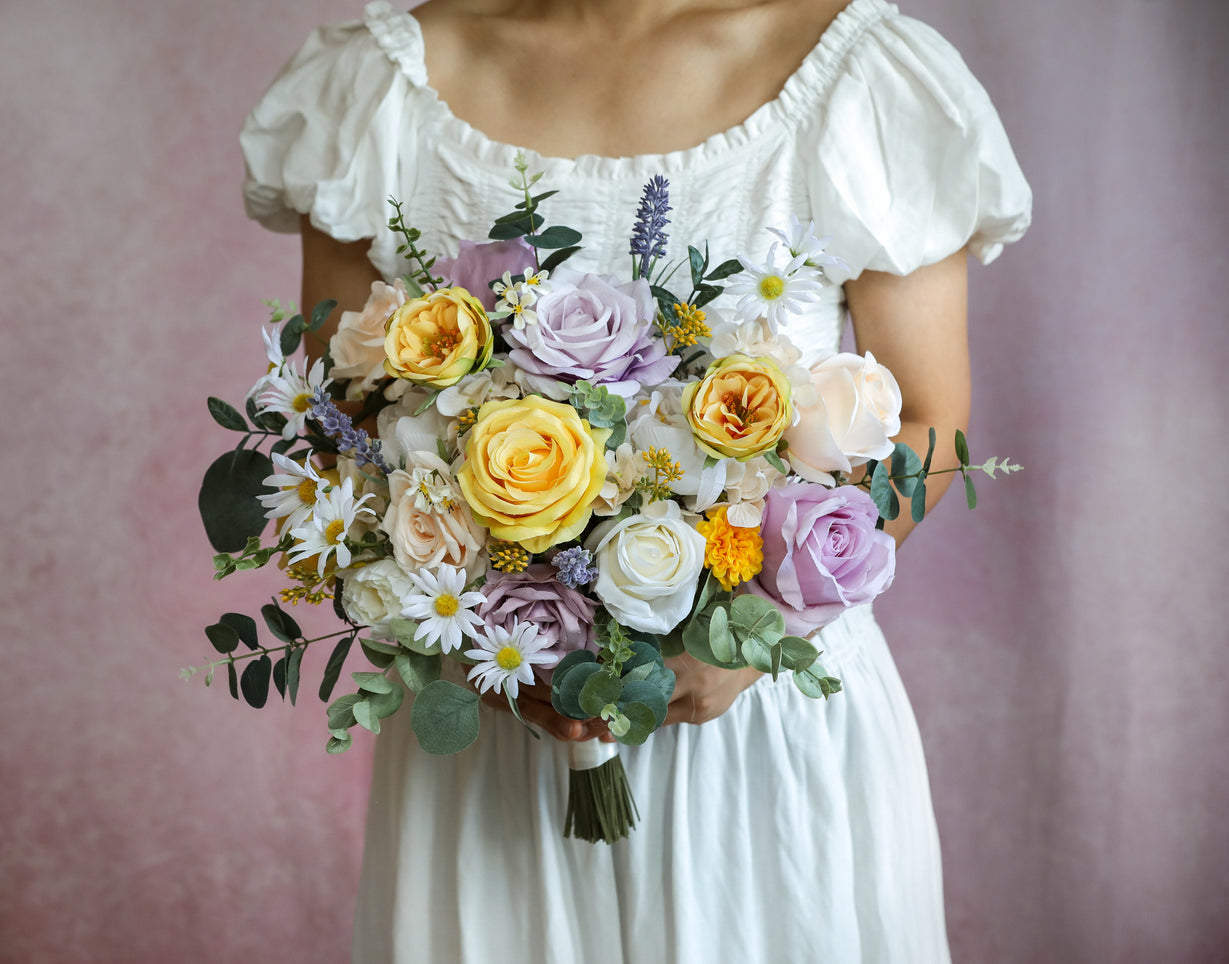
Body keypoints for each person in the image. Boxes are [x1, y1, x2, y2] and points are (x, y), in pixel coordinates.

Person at [239, 0, 1031, 960]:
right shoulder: (380, 85)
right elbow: (347, 419)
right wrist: (496, 631)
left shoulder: (857, 73)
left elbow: (924, 421)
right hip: (498, 719)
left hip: (759, 715)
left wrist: (755, 637)